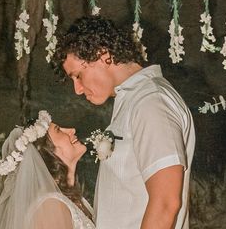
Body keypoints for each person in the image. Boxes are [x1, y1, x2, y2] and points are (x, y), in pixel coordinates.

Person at [55, 16, 195, 229]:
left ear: (102, 55)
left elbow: (166, 202)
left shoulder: (151, 101)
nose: (77, 89)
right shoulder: (133, 101)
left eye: (78, 76)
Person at [0, 110, 95, 229]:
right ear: (48, 153)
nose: (72, 130)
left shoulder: (75, 200)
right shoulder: (50, 206)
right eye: (58, 130)